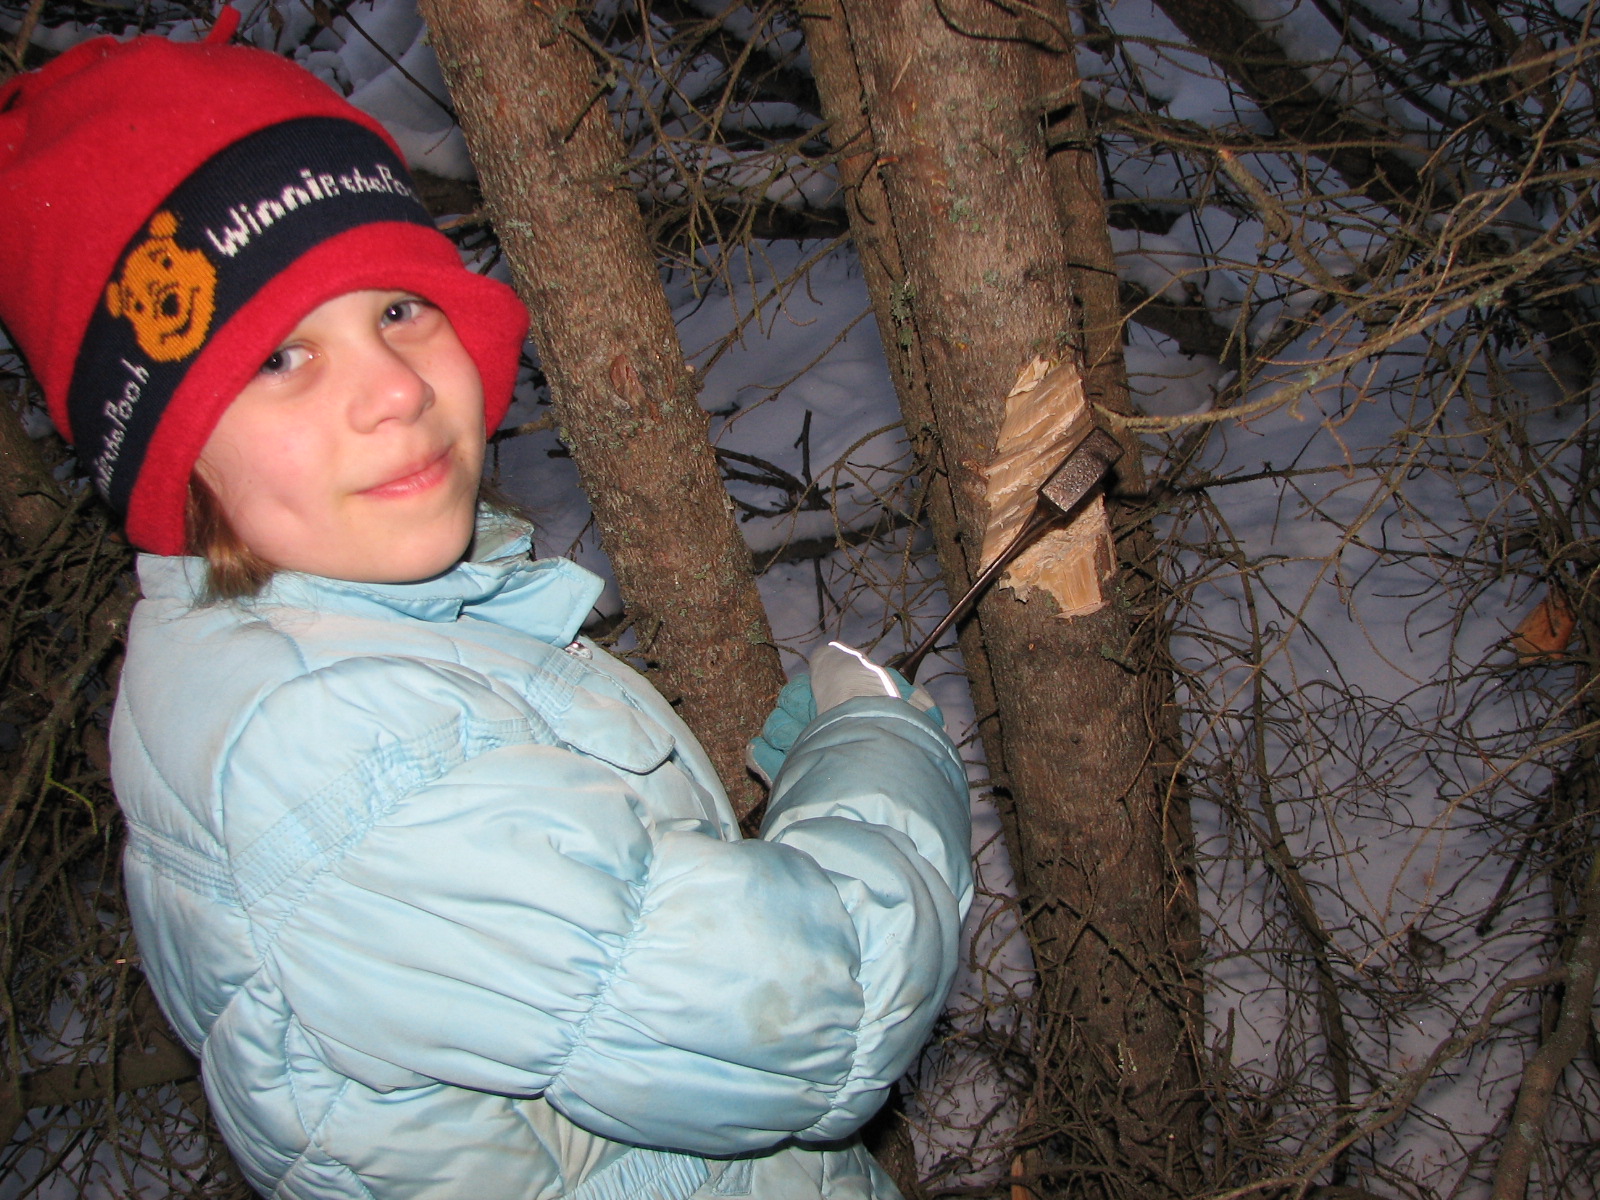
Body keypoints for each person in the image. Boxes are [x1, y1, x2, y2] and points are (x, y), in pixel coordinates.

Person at [0, 11, 973, 1200]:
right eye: (276, 358)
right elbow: (817, 1015)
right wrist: (875, 741)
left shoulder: (320, 637)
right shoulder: (334, 761)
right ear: (163, 452)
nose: (395, 393)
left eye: (398, 309)